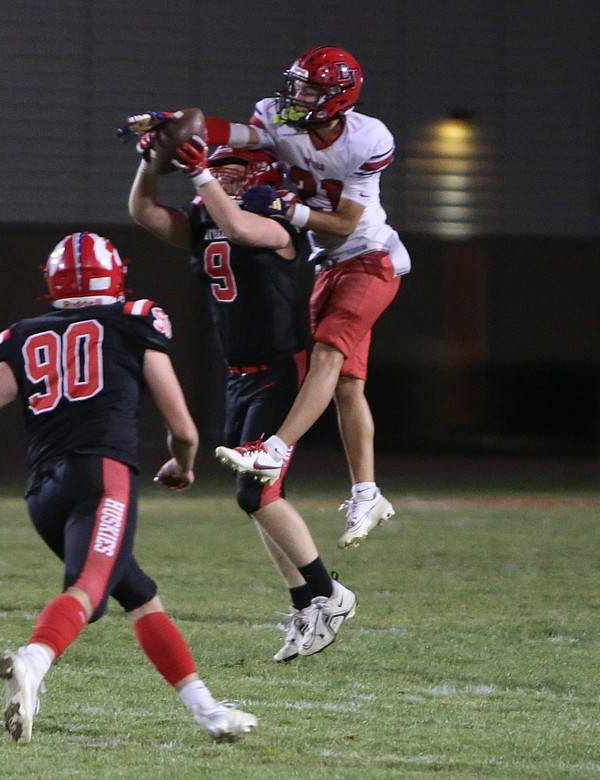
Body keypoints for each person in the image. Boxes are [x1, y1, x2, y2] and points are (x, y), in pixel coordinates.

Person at [0, 231, 256, 744]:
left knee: (140, 597)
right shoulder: (133, 322)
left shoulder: (23, 335)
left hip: (43, 495)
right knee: (87, 592)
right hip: (101, 478)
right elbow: (185, 430)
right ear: (117, 276)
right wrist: (184, 463)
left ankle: (206, 710)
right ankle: (33, 661)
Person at [119, 46, 408, 550]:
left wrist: (281, 207)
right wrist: (168, 129)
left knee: (327, 354)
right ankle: (366, 490)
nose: (295, 95)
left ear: (339, 98)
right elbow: (220, 133)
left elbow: (344, 223)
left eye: (310, 89)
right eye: (295, 84)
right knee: (345, 385)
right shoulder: (274, 122)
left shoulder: (366, 139)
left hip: (368, 254)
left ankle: (275, 449)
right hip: (325, 265)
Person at [127, 137, 356, 662]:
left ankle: (328, 592)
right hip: (241, 373)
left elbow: (239, 228)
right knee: (254, 500)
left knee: (256, 495)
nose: (222, 178)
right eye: (219, 170)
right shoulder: (207, 219)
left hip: (281, 367)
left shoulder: (276, 222)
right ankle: (305, 602)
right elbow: (142, 211)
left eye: (236, 171)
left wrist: (201, 173)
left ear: (261, 178)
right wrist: (149, 163)